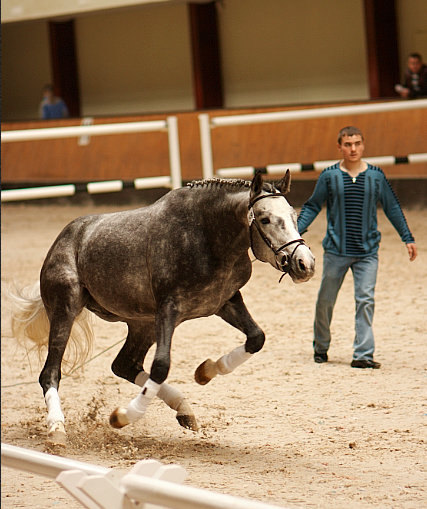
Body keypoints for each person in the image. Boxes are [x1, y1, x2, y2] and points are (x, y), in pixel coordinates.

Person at [297, 126, 417, 369]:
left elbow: (392, 207)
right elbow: (312, 206)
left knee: (365, 299)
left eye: (357, 144)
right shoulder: (329, 176)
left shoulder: (376, 175)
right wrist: (295, 233)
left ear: (363, 146)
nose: (353, 148)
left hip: (367, 252)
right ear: (340, 147)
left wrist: (407, 237)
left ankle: (363, 354)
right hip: (336, 251)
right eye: (348, 144)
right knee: (326, 301)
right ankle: (321, 346)